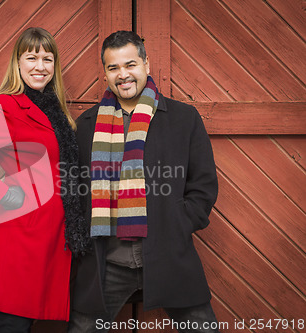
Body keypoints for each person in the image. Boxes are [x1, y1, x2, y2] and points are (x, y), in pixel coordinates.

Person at [68, 31, 219, 332]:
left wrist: (177, 222)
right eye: (113, 68)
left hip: (168, 253)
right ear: (106, 73)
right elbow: (74, 190)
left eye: (130, 64)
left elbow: (203, 185)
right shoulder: (86, 126)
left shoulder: (183, 118)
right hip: (107, 263)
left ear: (146, 64)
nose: (123, 75)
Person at [0, 27, 89, 332]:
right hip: (21, 237)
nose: (40, 66)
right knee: (12, 324)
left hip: (54, 238)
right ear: (18, 62)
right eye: (32, 57)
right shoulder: (8, 107)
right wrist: (0, 194)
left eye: (48, 59)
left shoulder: (57, 112)